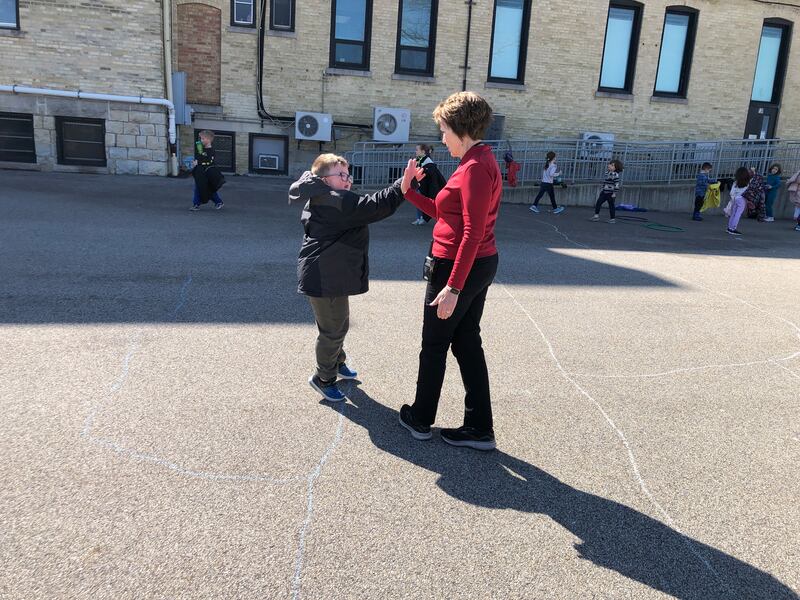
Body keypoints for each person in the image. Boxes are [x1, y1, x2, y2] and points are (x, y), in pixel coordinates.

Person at [398, 91, 501, 451]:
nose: (442, 138)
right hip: (477, 262)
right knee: (467, 342)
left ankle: (420, 418)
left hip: (458, 265)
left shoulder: (473, 168)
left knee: (436, 343)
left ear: (460, 128)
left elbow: (471, 231)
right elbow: (446, 214)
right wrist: (408, 190)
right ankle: (479, 428)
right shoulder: (478, 159)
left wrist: (453, 287)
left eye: (444, 129)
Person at [289, 153, 414, 402]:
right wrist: (403, 183)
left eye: (349, 175)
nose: (348, 181)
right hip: (324, 277)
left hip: (328, 273)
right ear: (324, 179)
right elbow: (376, 206)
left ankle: (337, 361)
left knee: (337, 324)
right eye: (341, 175)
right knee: (332, 330)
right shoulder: (334, 200)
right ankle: (323, 378)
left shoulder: (320, 195)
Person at [411, 144, 446, 225]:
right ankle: (419, 218)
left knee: (424, 202)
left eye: (417, 150)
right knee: (417, 202)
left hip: (426, 187)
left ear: (423, 151)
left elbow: (432, 177)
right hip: (419, 185)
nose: (415, 151)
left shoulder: (428, 162)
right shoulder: (419, 160)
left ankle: (423, 218)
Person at [190, 130, 224, 211]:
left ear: (208, 140)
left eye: (203, 139)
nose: (201, 140)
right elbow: (199, 157)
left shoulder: (211, 151)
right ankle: (196, 204)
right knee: (198, 187)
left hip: (207, 172)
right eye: (200, 138)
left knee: (208, 188)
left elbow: (209, 161)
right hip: (200, 172)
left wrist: (199, 162)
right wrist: (195, 162)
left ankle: (218, 202)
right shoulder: (201, 148)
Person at [725, 166, 751, 236]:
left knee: (733, 213)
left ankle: (729, 227)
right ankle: (733, 228)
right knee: (738, 214)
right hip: (741, 199)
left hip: (734, 198)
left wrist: (733, 198)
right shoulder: (747, 183)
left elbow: (731, 192)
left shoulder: (735, 182)